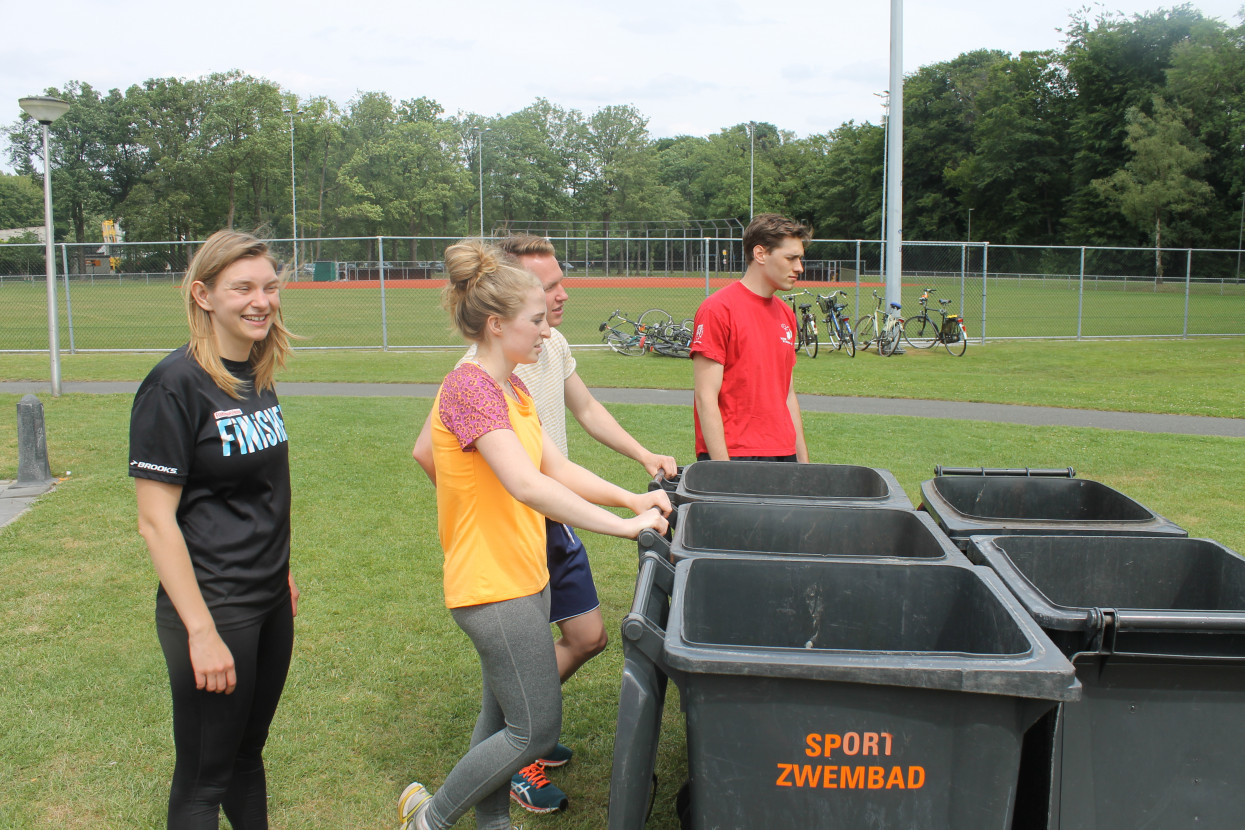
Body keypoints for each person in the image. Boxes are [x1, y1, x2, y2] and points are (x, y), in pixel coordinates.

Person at [399, 240, 671, 830]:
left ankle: (490, 824)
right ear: (497, 325)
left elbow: (557, 468)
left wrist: (633, 496)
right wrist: (626, 527)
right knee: (535, 729)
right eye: (537, 320)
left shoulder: (513, 387)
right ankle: (432, 821)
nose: (547, 331)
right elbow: (526, 484)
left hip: (526, 574)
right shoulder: (469, 387)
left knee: (499, 724)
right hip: (491, 585)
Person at [130, 229, 299, 829]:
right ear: (203, 294)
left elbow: (260, 492)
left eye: (270, 286)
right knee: (204, 779)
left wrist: (282, 576)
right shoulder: (172, 384)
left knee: (246, 755)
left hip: (267, 599)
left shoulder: (256, 371)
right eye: (243, 288)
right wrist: (201, 633)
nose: (262, 301)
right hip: (212, 607)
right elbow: (156, 523)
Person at [690, 213, 812, 462]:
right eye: (790, 258)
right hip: (736, 456)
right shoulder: (718, 309)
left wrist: (804, 466)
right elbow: (705, 397)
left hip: (783, 453)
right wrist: (724, 471)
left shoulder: (786, 314)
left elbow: (787, 394)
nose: (799, 267)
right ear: (760, 254)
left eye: (799, 258)